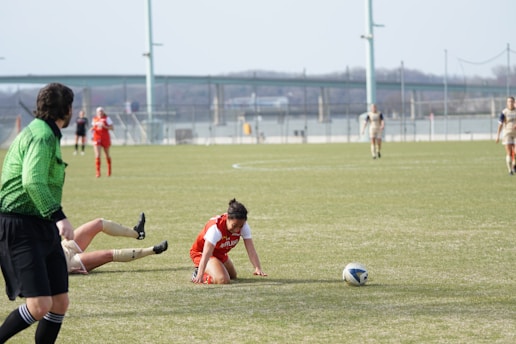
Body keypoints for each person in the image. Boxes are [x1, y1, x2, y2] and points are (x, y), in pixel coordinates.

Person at [0, 83, 75, 343]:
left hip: (40, 223)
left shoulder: (45, 132)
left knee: (59, 302)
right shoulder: (42, 135)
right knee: (40, 305)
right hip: (20, 225)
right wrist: (59, 216)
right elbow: (32, 181)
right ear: (67, 109)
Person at [190, 199, 267, 284]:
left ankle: (214, 268)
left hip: (218, 253)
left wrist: (257, 267)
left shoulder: (243, 226)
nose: (237, 229)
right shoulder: (216, 229)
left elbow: (251, 250)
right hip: (201, 253)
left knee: (233, 275)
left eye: (240, 226)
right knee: (223, 280)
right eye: (234, 226)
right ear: (227, 218)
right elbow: (206, 253)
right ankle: (197, 274)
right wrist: (200, 274)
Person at [62, 212, 168, 274]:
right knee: (110, 254)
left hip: (63, 247)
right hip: (66, 264)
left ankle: (137, 233)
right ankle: (153, 250)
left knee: (99, 223)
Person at [495, 96, 516, 175]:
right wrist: (498, 135)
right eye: (509, 101)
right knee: (509, 152)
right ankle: (510, 170)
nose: (510, 103)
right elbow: (500, 124)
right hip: (507, 134)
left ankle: (514, 165)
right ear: (507, 103)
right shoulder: (504, 112)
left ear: (514, 103)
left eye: (512, 101)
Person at [91, 106, 113, 177]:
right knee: (97, 155)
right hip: (97, 137)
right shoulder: (94, 119)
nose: (100, 112)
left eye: (101, 111)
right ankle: (98, 172)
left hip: (105, 137)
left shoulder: (107, 118)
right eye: (99, 111)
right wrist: (92, 130)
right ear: (97, 112)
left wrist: (105, 126)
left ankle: (109, 171)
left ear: (103, 112)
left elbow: (112, 128)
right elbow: (93, 128)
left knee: (107, 154)